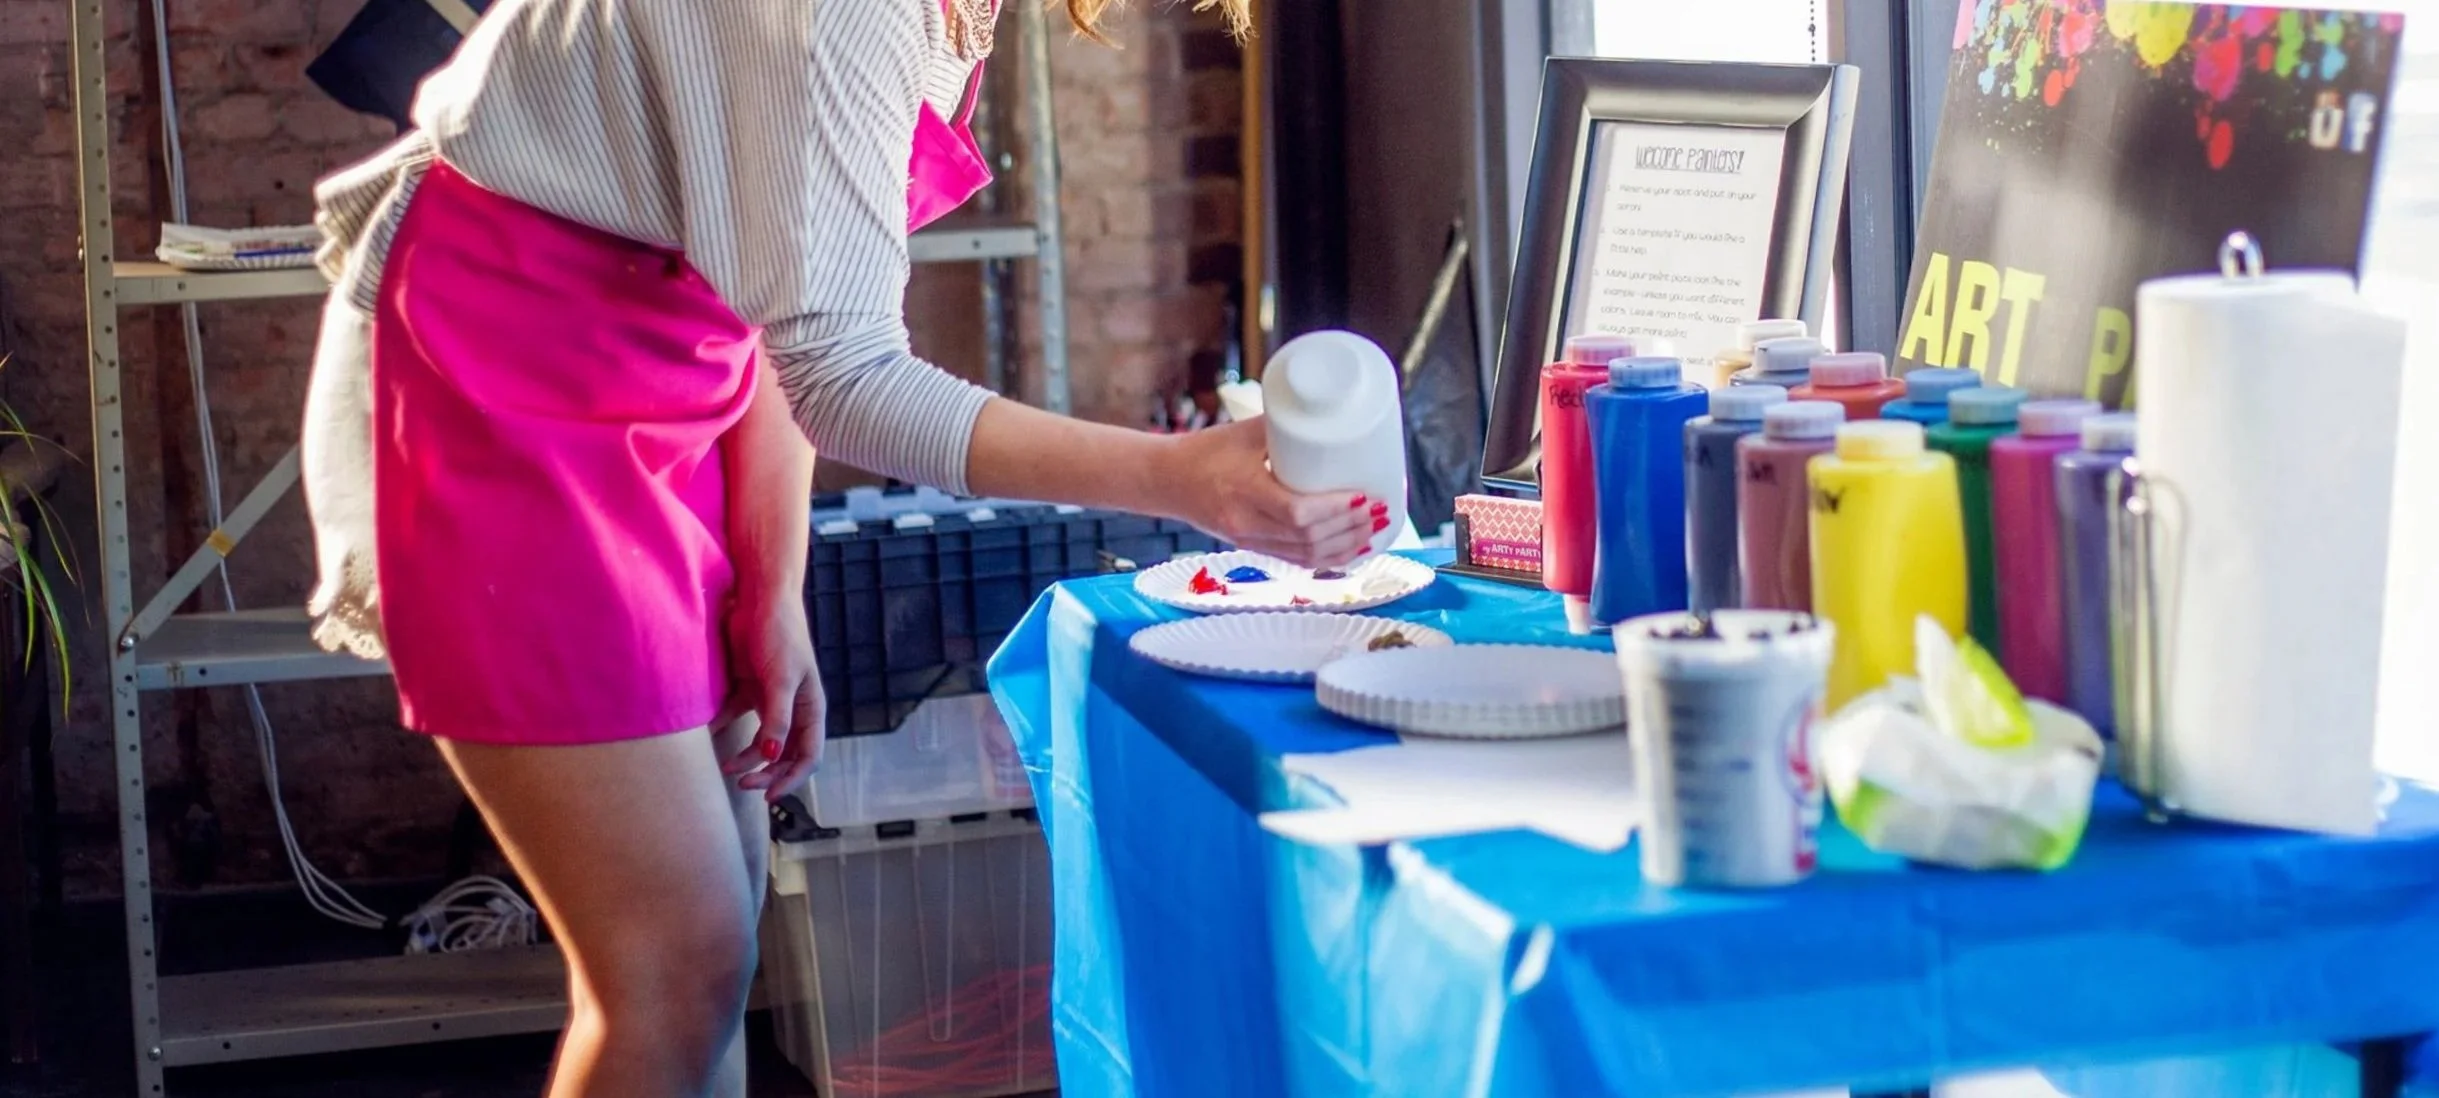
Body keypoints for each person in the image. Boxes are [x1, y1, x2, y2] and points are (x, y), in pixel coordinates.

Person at [297, 1, 1372, 1094]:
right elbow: (848, 380)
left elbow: (789, 308)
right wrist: (1178, 477)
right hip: (508, 380)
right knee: (674, 965)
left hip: (673, 382)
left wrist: (772, 585)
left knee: (715, 944)